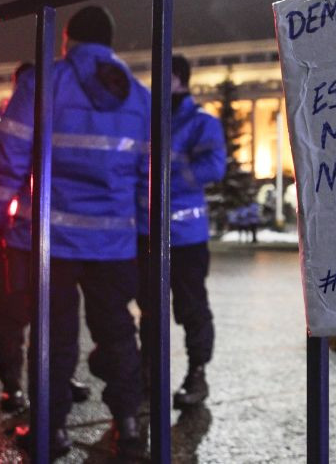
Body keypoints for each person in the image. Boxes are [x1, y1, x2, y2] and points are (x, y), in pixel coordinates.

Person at [0, 6, 150, 458]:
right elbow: (150, 175)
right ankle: (129, 423)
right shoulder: (138, 96)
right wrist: (145, 233)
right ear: (110, 42)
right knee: (116, 332)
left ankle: (49, 432)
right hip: (113, 243)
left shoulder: (43, 82)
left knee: (53, 337)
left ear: (66, 41)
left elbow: (9, 160)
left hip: (51, 240)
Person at [0, 63, 90, 414]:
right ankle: (12, 385)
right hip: (0, 231)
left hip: (44, 231)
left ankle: (57, 378)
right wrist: (0, 165)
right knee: (9, 310)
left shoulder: (56, 121)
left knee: (58, 310)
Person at [138, 55, 225, 409]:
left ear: (176, 78)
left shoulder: (201, 121)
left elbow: (214, 167)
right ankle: (148, 376)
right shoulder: (148, 120)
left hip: (186, 236)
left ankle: (197, 375)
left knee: (191, 308)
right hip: (147, 232)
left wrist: (165, 178)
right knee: (149, 309)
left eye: (160, 77)